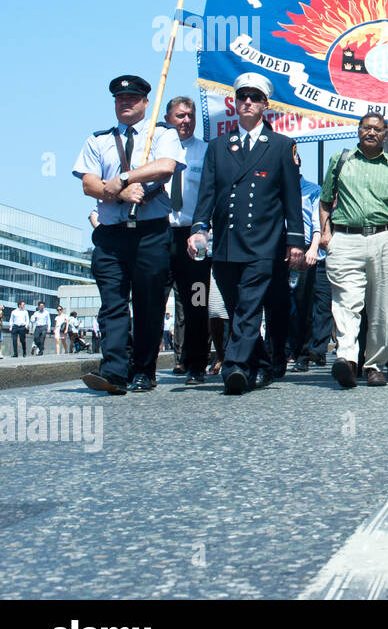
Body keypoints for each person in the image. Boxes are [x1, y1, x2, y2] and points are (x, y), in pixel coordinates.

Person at [187, 72, 305, 395]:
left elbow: (292, 199)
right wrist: (199, 230)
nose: (248, 102)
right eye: (242, 97)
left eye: (254, 97)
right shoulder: (219, 147)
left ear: (265, 105)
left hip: (263, 243)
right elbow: (206, 195)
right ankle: (263, 364)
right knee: (238, 305)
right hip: (226, 242)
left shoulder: (281, 146)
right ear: (235, 103)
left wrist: (295, 241)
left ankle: (234, 366)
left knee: (250, 305)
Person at [75, 74, 186, 394]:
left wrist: (123, 177)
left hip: (151, 232)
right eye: (120, 99)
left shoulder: (162, 133)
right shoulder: (99, 140)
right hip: (111, 234)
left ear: (145, 103)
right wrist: (120, 193)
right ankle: (114, 370)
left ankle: (144, 369)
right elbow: (89, 184)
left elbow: (165, 166)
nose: (126, 103)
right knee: (112, 303)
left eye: (133, 99)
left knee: (149, 303)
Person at [318, 112, 388, 388]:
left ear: (386, 135)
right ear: (358, 130)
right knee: (345, 301)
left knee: (380, 307)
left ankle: (373, 365)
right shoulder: (340, 161)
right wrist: (326, 233)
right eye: (366, 128)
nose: (371, 133)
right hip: (346, 239)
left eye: (377, 129)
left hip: (385, 238)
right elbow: (326, 201)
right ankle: (347, 359)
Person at [163, 95, 210, 384]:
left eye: (190, 115)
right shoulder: (156, 147)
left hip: (193, 234)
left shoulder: (205, 152)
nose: (186, 120)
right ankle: (142, 366)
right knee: (152, 300)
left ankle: (196, 364)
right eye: (180, 116)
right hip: (159, 233)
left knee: (196, 300)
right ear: (168, 118)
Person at [288, 177, 332, 373]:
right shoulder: (278, 188)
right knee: (284, 304)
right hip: (282, 249)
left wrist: (313, 249)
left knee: (308, 304)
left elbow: (317, 223)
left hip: (307, 251)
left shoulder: (313, 190)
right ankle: (284, 351)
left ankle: (308, 353)